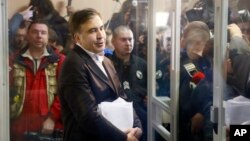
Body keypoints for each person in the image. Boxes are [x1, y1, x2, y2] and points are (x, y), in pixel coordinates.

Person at [58, 8, 142, 141]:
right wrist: (123, 138)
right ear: (77, 38)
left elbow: (122, 97)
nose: (100, 35)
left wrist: (136, 127)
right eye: (92, 30)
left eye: (101, 28)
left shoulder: (106, 61)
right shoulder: (74, 65)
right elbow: (88, 117)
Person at [9, 20, 65, 141]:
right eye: (35, 32)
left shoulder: (60, 61)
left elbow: (65, 93)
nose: (39, 36)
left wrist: (52, 118)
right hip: (19, 127)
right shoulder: (13, 60)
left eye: (43, 32)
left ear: (48, 36)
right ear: (28, 35)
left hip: (49, 127)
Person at [105, 25, 147, 141]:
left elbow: (153, 87)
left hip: (140, 115)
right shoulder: (106, 63)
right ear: (113, 41)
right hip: (116, 116)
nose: (128, 43)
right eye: (123, 40)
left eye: (130, 39)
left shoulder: (142, 64)